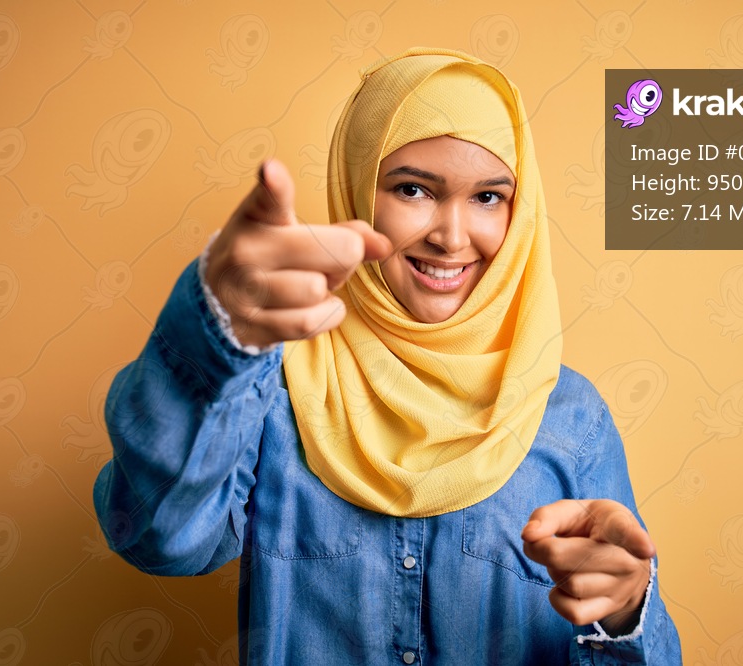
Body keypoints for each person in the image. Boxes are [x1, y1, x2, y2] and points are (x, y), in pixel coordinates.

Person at [94, 47, 682, 664]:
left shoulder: (570, 417)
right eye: (412, 190)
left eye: (488, 198)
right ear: (355, 192)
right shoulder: (278, 387)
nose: (451, 236)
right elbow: (159, 541)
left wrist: (623, 610)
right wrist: (211, 339)